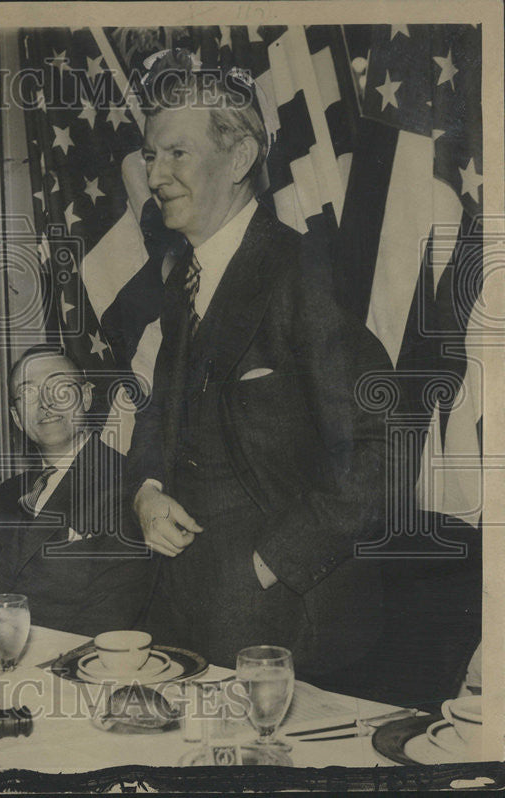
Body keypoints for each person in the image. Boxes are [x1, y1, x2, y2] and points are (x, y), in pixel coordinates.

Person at [127, 50, 389, 682]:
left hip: (277, 615)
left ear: (240, 159)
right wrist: (148, 493)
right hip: (176, 601)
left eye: (177, 154)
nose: (155, 175)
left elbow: (380, 444)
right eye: (150, 155)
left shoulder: (303, 270)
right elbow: (159, 414)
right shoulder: (180, 282)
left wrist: (270, 563)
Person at [0, 345, 152, 637]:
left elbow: (108, 618)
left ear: (86, 397)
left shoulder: (129, 485)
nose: (46, 403)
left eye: (59, 387)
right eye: (29, 394)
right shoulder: (7, 494)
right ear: (17, 418)